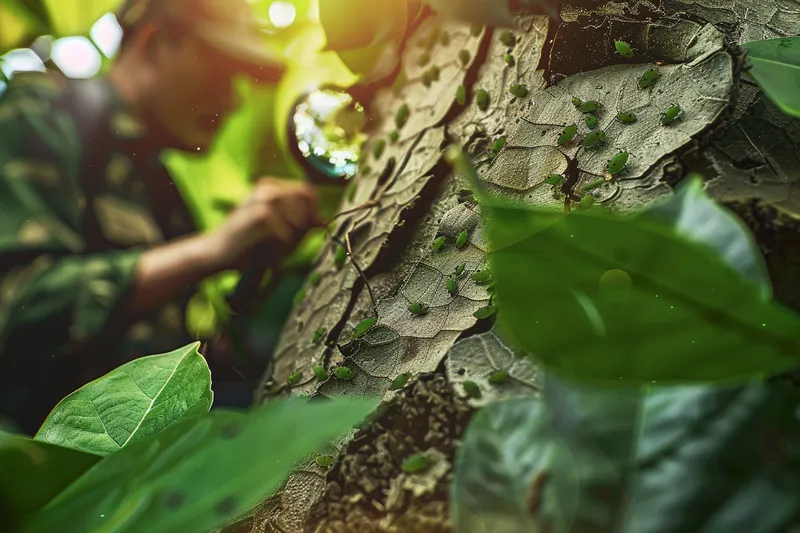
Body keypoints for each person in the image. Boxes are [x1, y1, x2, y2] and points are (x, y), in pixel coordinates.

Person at [0, 0, 320, 435]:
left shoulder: (158, 183)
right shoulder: (42, 113)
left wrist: (255, 268)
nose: (232, 100)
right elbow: (19, 307)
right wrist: (211, 250)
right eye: (221, 71)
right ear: (153, 43)